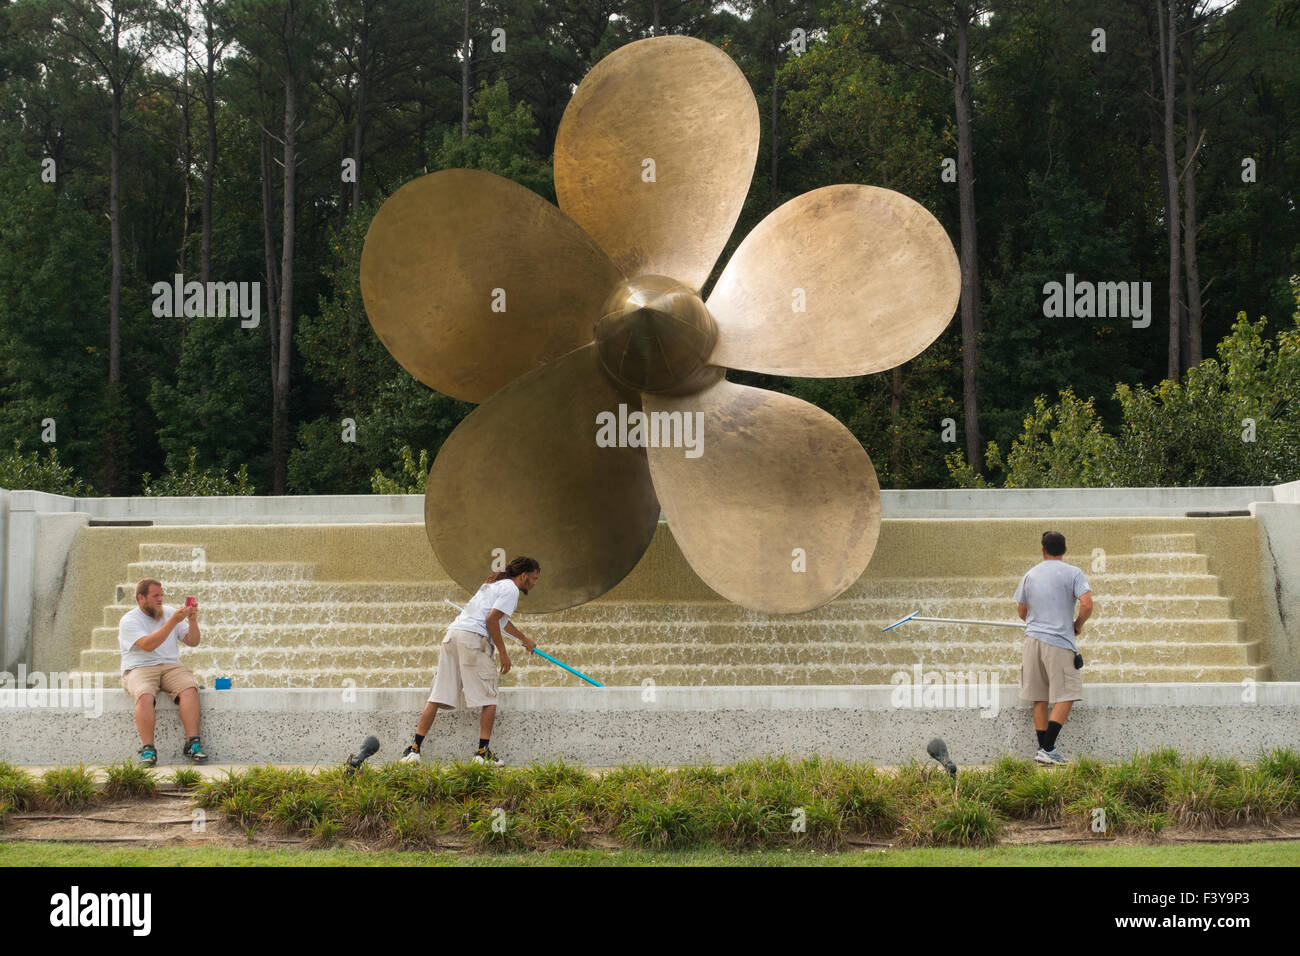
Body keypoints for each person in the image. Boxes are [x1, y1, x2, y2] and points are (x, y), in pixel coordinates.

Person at [401, 557, 540, 766]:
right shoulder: (511, 589)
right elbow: (491, 620)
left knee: (437, 695)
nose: (535, 583)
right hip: (473, 639)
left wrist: (524, 639)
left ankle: (413, 750)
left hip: (452, 636)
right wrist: (503, 652)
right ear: (523, 575)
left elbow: (500, 620)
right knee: (489, 697)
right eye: (534, 578)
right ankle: (482, 754)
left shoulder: (492, 585)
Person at [1015, 531, 1093, 765]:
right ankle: (1047, 749)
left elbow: (1021, 611)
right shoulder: (1073, 573)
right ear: (1065, 550)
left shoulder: (1030, 574)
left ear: (1042, 549)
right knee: (1068, 693)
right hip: (1058, 641)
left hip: (1032, 641)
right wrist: (1077, 625)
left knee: (1039, 696)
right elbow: (1087, 604)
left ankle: (1043, 751)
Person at [118, 579, 207, 766]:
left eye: (162, 595)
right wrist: (174, 620)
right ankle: (148, 749)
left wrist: (192, 620)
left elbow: (193, 641)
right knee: (144, 695)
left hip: (170, 665)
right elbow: (148, 645)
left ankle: (193, 743)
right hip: (139, 667)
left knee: (189, 689)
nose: (160, 599)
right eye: (155, 596)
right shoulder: (129, 620)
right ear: (141, 598)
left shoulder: (168, 613)